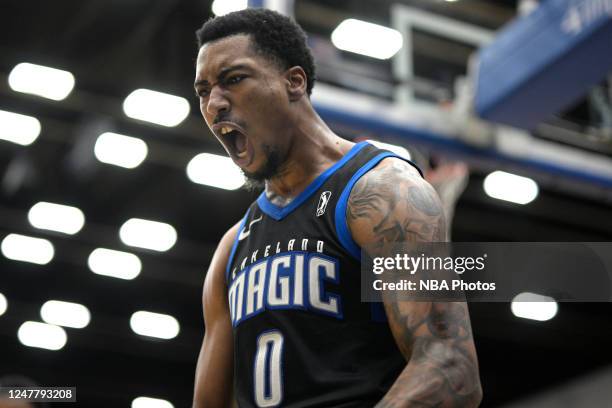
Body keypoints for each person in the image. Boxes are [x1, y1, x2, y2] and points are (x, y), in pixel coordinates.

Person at [192, 8, 482, 408]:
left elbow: (451, 367)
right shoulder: (230, 249)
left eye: (233, 79)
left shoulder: (383, 192)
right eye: (203, 91)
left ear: (294, 82)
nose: (214, 104)